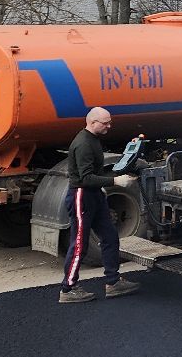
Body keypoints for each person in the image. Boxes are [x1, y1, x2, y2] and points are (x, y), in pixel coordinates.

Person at [60, 107, 140, 304]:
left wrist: (107, 183)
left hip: (95, 195)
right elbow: (85, 178)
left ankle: (113, 282)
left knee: (110, 236)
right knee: (80, 244)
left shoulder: (93, 139)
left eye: (109, 122)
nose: (109, 126)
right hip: (82, 196)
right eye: (106, 123)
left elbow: (94, 174)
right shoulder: (83, 144)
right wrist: (114, 182)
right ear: (92, 122)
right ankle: (68, 289)